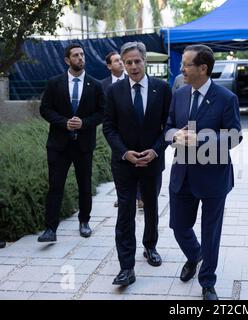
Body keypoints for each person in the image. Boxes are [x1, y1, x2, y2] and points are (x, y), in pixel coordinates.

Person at [165, 44, 241, 300]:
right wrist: (174, 135)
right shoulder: (179, 94)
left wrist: (201, 139)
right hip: (182, 174)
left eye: (186, 64)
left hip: (213, 178)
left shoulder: (226, 98)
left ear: (203, 68)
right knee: (178, 226)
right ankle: (193, 254)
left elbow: (234, 136)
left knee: (211, 232)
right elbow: (167, 128)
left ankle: (207, 281)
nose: (181, 69)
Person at [103, 42, 172, 286]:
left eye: (137, 61)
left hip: (152, 162)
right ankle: (126, 267)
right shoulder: (113, 91)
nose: (132, 66)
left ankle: (150, 246)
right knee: (125, 212)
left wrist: (155, 151)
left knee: (151, 207)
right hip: (124, 163)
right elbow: (109, 127)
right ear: (122, 63)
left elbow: (169, 126)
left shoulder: (162, 89)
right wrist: (124, 153)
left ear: (145, 62)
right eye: (128, 62)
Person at [38, 43, 105, 242]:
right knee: (55, 186)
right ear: (67, 60)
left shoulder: (95, 85)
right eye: (76, 55)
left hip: (83, 145)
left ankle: (84, 222)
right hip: (59, 145)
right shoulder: (54, 83)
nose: (80, 58)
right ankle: (50, 229)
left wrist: (84, 123)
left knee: (84, 185)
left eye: (82, 55)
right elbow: (45, 109)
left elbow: (102, 112)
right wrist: (64, 123)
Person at [101, 51, 143, 209]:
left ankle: (139, 196)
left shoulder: (132, 81)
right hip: (114, 133)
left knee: (139, 162)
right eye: (116, 61)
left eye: (120, 60)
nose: (119, 63)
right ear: (109, 66)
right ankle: (122, 195)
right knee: (120, 165)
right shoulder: (103, 85)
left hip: (134, 131)